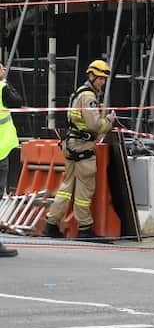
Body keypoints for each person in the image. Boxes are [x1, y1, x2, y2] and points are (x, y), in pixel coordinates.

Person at [43, 60, 116, 240]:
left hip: (71, 144)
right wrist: (109, 121)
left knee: (66, 187)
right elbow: (95, 125)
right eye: (100, 78)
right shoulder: (89, 97)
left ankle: (51, 224)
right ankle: (85, 229)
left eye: (104, 79)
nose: (102, 82)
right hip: (83, 147)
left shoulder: (79, 93)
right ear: (91, 76)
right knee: (85, 189)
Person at [0, 62, 22, 257]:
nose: (4, 70)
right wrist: (4, 81)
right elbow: (17, 101)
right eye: (1, 68)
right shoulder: (2, 87)